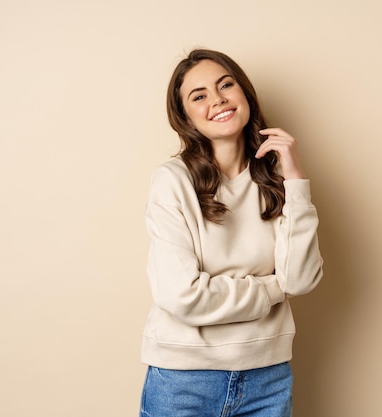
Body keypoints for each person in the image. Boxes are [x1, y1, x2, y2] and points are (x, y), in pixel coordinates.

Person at [139, 48, 324, 417]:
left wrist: (296, 181)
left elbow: (301, 280)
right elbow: (183, 296)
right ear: (185, 116)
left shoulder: (276, 181)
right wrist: (274, 287)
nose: (218, 99)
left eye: (226, 85)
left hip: (268, 379)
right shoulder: (172, 181)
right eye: (199, 95)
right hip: (184, 381)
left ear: (245, 94)